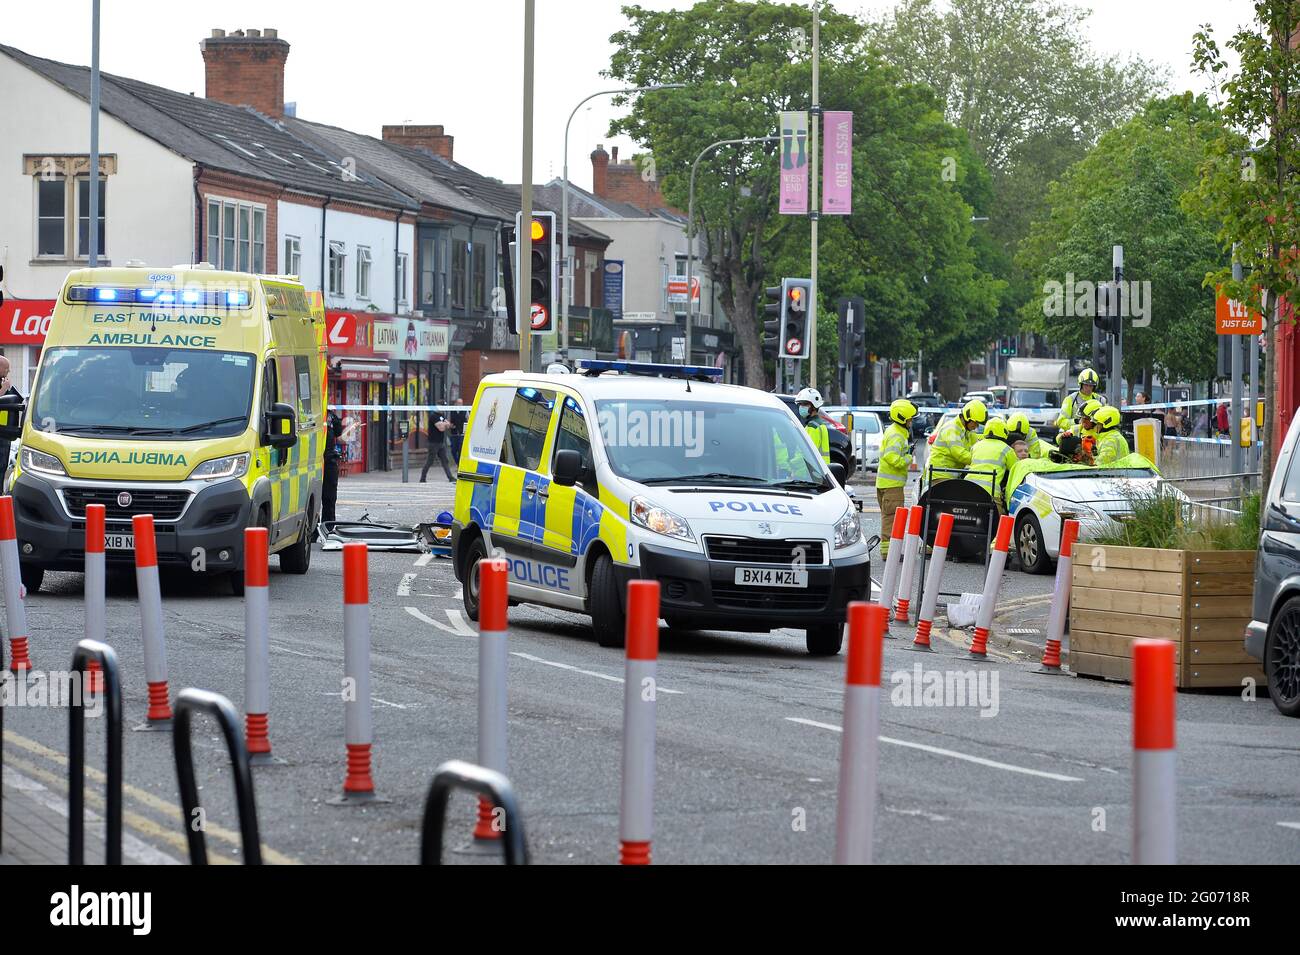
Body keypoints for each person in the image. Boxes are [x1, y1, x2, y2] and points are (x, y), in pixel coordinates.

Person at [876, 398, 916, 558]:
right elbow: (892, 458)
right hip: (892, 486)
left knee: (890, 517)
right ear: (902, 418)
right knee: (891, 519)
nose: (911, 421)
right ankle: (888, 553)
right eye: (910, 419)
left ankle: (889, 551)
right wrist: (908, 457)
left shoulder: (894, 431)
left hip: (886, 483)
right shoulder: (897, 436)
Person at [928, 398, 987, 483]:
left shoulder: (967, 431)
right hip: (941, 475)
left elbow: (977, 446)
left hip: (950, 475)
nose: (976, 426)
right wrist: (981, 461)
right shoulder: (951, 428)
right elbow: (960, 454)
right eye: (975, 423)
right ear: (967, 418)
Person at [965, 417, 1017, 511]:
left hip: (969, 487)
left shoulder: (976, 446)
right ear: (1004, 431)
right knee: (999, 518)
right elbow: (1016, 468)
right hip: (990, 493)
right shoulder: (1006, 449)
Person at [1056, 368, 1106, 434]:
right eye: (1086, 385)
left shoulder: (1100, 400)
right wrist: (1077, 421)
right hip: (1074, 437)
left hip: (1093, 438)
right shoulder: (1070, 399)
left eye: (1091, 386)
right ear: (1081, 384)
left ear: (1094, 386)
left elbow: (1104, 421)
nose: (1088, 388)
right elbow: (1060, 422)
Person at [794, 387, 831, 464]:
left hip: (813, 472)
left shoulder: (813, 427)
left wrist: (791, 465)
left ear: (814, 406)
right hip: (819, 470)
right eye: (800, 404)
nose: (801, 407)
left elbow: (807, 454)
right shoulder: (817, 424)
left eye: (805, 404)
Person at [419, 410, 454, 482]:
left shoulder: (441, 416)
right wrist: (445, 424)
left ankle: (450, 477)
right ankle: (422, 478)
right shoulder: (433, 416)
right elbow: (441, 428)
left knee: (445, 461)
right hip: (433, 443)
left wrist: (443, 424)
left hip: (441, 443)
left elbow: (449, 425)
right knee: (430, 461)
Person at [322, 409, 343, 524]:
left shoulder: (331, 416)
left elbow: (339, 436)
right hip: (315, 461)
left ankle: (328, 527)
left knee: (329, 498)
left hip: (328, 460)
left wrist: (351, 429)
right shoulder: (330, 415)